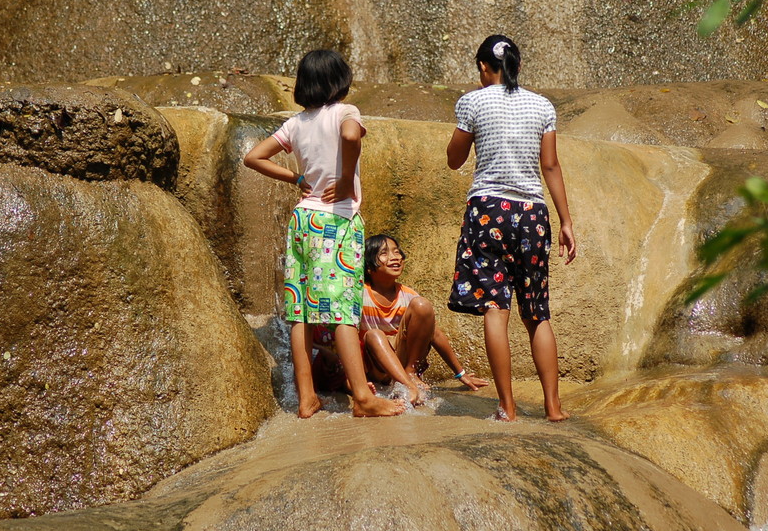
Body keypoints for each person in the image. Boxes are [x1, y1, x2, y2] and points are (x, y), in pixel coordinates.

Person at [243, 49, 406, 418]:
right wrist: (346, 179)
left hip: (302, 221)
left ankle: (306, 398)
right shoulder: (345, 113)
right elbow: (351, 136)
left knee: (300, 312)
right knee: (344, 312)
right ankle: (363, 399)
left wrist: (298, 178)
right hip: (336, 221)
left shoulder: (296, 123)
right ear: (340, 81)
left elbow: (253, 157)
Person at [445, 35, 576, 422]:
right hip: (532, 215)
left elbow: (454, 159)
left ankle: (507, 407)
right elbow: (550, 166)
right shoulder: (542, 106)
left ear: (486, 68)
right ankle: (553, 408)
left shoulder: (473, 101)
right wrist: (566, 221)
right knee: (537, 312)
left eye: (480, 70)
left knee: (495, 309)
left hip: (488, 210)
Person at [359, 234, 489, 398]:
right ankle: (403, 380)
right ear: (369, 267)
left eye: (397, 252)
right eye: (384, 253)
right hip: (374, 366)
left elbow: (434, 334)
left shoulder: (408, 296)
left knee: (422, 305)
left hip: (401, 359)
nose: (394, 258)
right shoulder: (360, 294)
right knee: (374, 335)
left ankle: (410, 373)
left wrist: (460, 373)